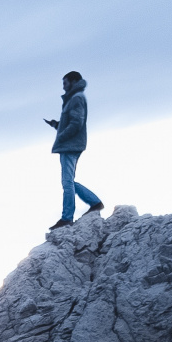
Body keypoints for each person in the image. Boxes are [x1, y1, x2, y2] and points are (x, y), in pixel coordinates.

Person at [44, 71, 102, 230]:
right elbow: (71, 122)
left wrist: (62, 136)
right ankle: (95, 202)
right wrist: (57, 125)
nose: (63, 86)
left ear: (74, 81)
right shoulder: (73, 98)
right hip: (70, 144)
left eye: (65, 83)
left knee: (67, 182)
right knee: (68, 181)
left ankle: (67, 218)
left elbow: (77, 123)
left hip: (70, 145)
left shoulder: (76, 98)